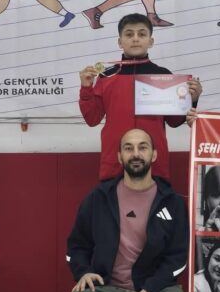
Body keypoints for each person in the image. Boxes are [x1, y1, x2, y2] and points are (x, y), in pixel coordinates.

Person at [55, 129, 197, 292]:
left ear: (154, 155)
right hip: (107, 290)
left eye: (143, 147)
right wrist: (83, 272)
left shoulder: (171, 202)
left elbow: (178, 258)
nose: (136, 153)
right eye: (128, 148)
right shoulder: (98, 198)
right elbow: (76, 245)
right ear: (120, 156)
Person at [79, 13, 202, 182]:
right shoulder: (106, 76)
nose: (135, 39)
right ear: (120, 42)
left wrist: (192, 99)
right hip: (114, 163)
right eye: (129, 34)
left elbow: (175, 121)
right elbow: (92, 119)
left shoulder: (163, 75)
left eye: (142, 34)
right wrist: (86, 88)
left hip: (154, 165)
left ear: (151, 41)